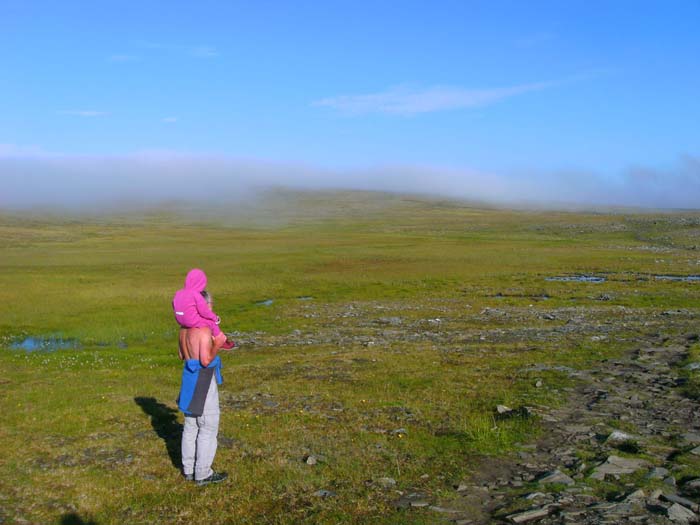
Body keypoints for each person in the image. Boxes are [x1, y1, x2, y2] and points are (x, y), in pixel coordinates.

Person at [177, 326, 231, 485]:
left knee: (190, 426)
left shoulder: (183, 330)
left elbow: (181, 355)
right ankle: (202, 473)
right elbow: (206, 361)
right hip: (203, 379)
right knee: (207, 426)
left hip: (188, 378)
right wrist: (217, 345)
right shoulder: (204, 331)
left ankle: (188, 469)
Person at [173, 268, 227, 345]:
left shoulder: (178, 293)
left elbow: (174, 304)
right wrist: (215, 318)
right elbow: (204, 312)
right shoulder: (196, 295)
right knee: (211, 323)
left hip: (179, 320)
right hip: (191, 320)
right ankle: (221, 341)